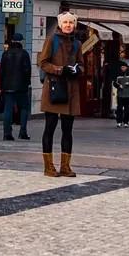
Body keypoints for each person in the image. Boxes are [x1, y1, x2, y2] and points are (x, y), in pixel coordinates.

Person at [36, 12, 86, 176]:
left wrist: (77, 70)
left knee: (67, 130)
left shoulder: (77, 43)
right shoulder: (52, 40)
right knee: (49, 128)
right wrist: (60, 69)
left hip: (71, 90)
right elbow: (43, 62)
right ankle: (48, 166)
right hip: (54, 88)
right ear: (60, 24)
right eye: (65, 22)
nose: (68, 25)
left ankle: (65, 166)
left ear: (74, 25)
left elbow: (81, 64)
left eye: (71, 22)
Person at [0, 32, 32, 141]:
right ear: (21, 42)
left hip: (7, 86)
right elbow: (27, 70)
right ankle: (23, 132)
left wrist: (1, 85)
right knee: (24, 108)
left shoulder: (5, 54)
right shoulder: (24, 54)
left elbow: (2, 71)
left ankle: (7, 133)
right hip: (21, 86)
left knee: (8, 109)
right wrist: (27, 83)